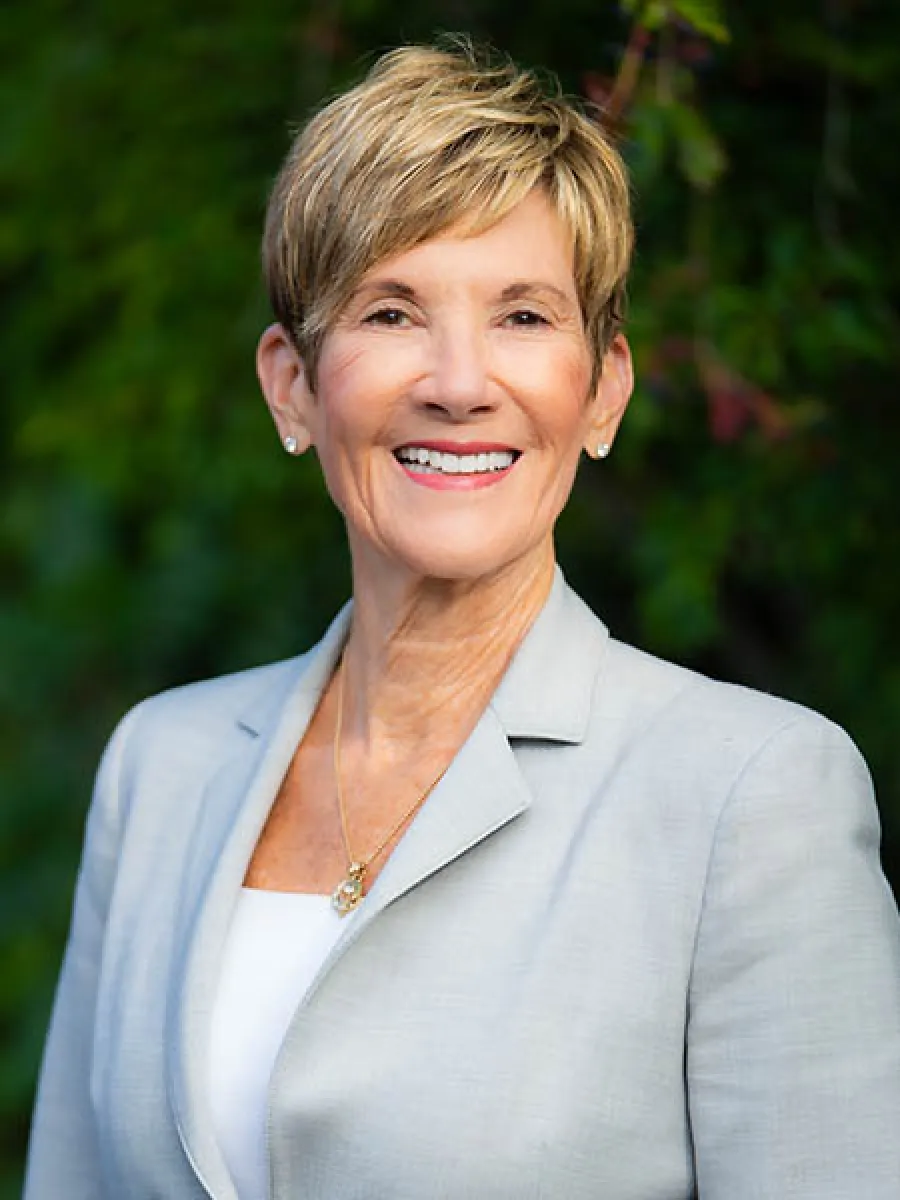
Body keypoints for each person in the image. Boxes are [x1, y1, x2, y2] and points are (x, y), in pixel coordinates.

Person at [24, 40, 900, 1200]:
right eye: (392, 311)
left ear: (603, 390)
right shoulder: (160, 768)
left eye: (524, 317)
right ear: (293, 384)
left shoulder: (754, 796)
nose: (458, 379)